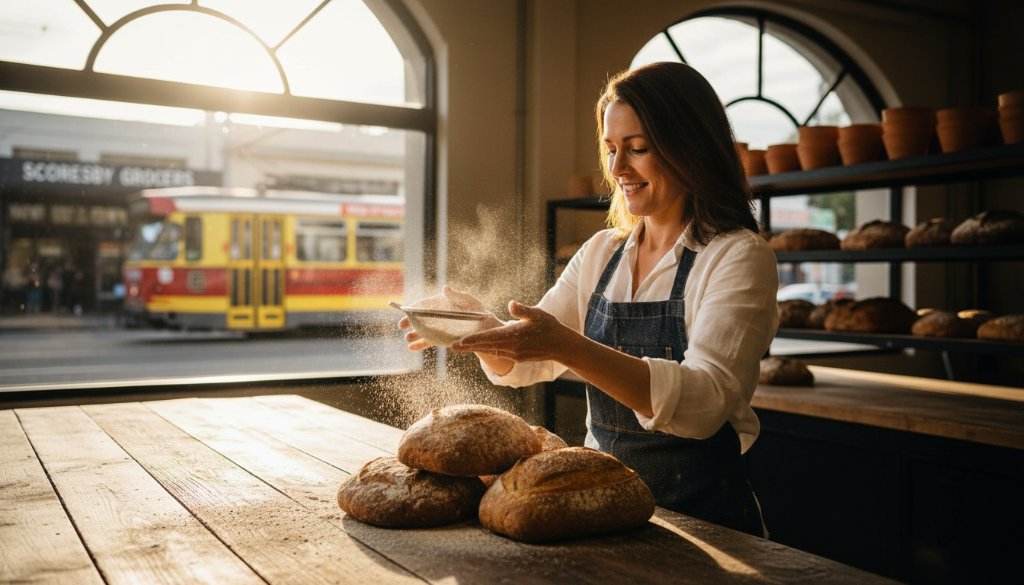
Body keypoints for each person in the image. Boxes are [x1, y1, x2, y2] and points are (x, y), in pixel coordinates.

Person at [400, 62, 779, 537]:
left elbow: (704, 405)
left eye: (638, 149)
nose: (619, 169)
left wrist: (567, 346)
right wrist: (480, 330)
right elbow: (527, 366)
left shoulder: (738, 255)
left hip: (708, 522)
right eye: (612, 149)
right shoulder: (602, 253)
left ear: (691, 147)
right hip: (601, 506)